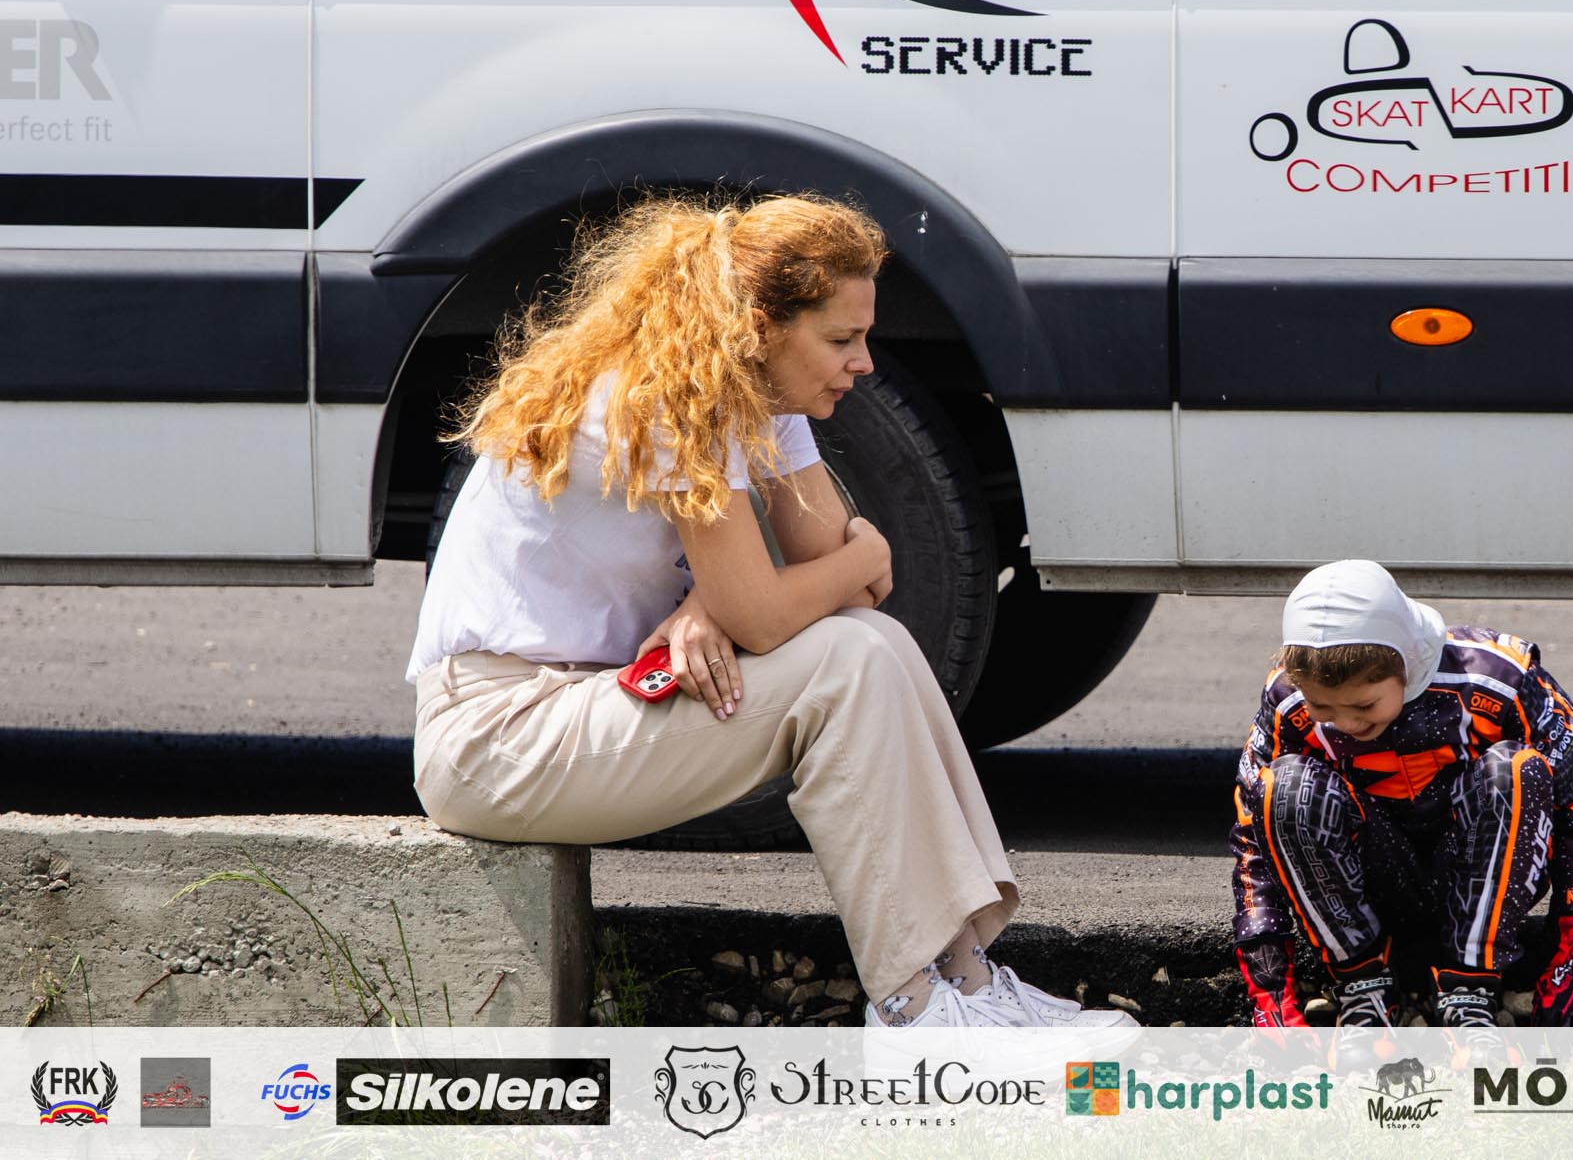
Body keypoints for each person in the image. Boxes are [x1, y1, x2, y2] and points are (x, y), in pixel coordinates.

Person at [406, 193, 1132, 1038]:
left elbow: (839, 592)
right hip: (497, 737)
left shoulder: (749, 395)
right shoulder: (667, 399)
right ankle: (914, 1008)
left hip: (575, 706)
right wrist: (816, 569)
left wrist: (717, 598)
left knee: (875, 640)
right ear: (759, 326)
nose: (864, 362)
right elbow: (813, 586)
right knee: (847, 665)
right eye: (841, 338)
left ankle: (966, 982)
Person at [1229, 560, 1573, 1043]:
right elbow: (1253, 839)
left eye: (1364, 705)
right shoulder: (1286, 699)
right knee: (1279, 786)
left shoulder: (1502, 678)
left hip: (1484, 881)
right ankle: (1363, 988)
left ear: (1407, 665)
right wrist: (1269, 989)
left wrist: (1572, 958)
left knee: (1516, 771)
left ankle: (1470, 990)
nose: (1345, 723)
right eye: (1322, 707)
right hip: (1368, 888)